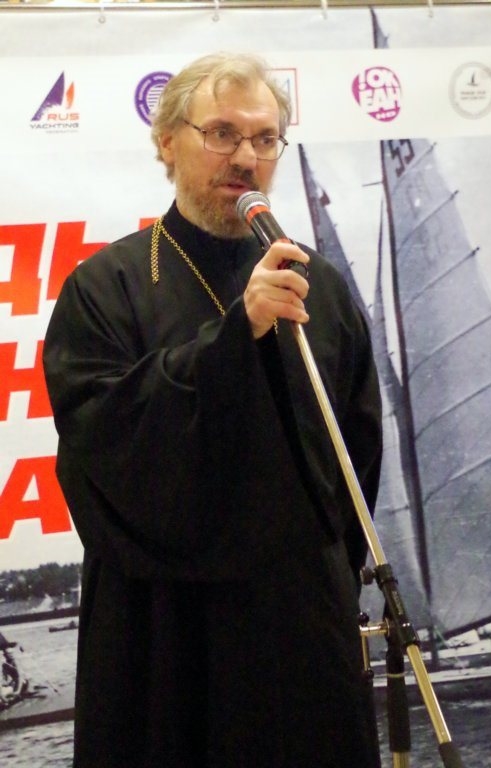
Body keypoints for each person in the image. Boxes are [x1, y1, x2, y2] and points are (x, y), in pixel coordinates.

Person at [43, 52, 383, 768]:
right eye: (222, 133)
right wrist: (238, 334)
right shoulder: (104, 287)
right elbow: (107, 441)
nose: (246, 158)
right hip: (164, 634)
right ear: (168, 141)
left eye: (264, 139)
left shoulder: (315, 285)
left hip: (298, 630)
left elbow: (354, 465)